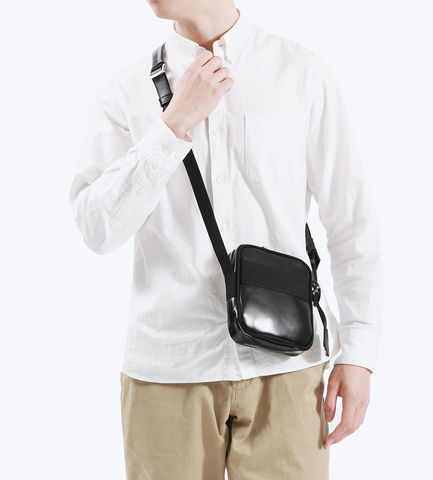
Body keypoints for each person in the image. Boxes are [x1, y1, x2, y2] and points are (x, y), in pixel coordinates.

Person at [69, 1, 383, 478]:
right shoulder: (125, 91)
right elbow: (97, 230)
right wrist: (172, 125)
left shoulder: (300, 72)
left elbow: (351, 220)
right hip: (167, 374)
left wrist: (359, 355)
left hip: (287, 367)